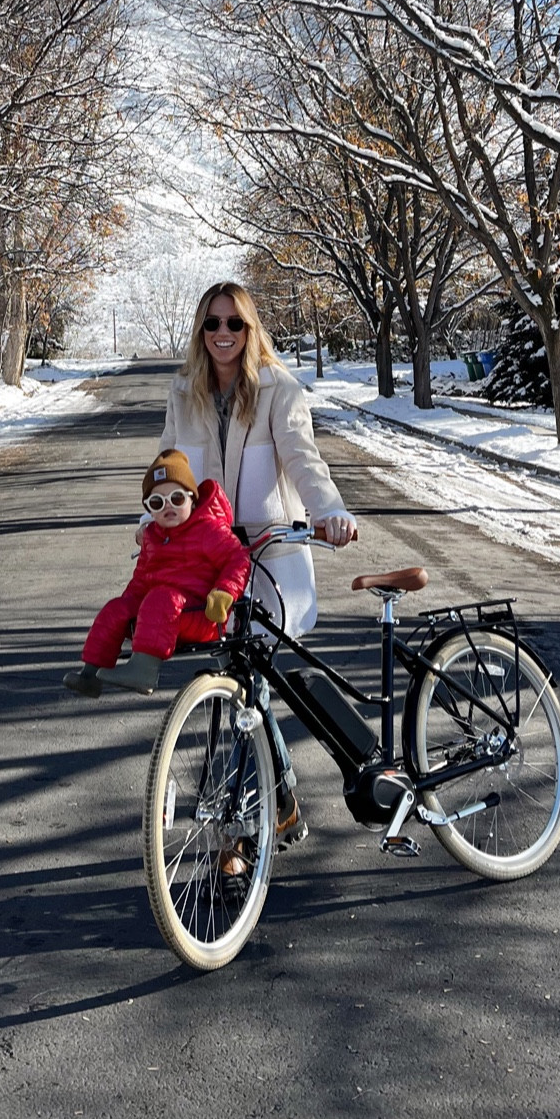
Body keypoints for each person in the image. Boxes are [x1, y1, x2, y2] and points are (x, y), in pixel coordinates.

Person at [158, 281, 358, 847]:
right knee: (242, 687)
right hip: (210, 560)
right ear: (201, 331)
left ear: (250, 329)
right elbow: (167, 473)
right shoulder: (184, 393)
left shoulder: (278, 389)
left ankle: (242, 835)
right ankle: (282, 801)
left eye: (234, 323)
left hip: (268, 558)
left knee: (249, 687)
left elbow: (303, 459)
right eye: (213, 323)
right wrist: (152, 530)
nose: (223, 333)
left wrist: (330, 511)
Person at [64, 449, 251, 698]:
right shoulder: (152, 536)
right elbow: (141, 580)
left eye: (177, 498)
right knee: (116, 609)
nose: (168, 507)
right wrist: (126, 609)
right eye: (157, 503)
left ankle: (143, 671)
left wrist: (224, 592)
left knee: (160, 598)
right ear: (150, 510)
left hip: (201, 615)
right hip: (161, 615)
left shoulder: (208, 530)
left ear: (192, 500)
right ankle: (91, 674)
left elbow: (238, 558)